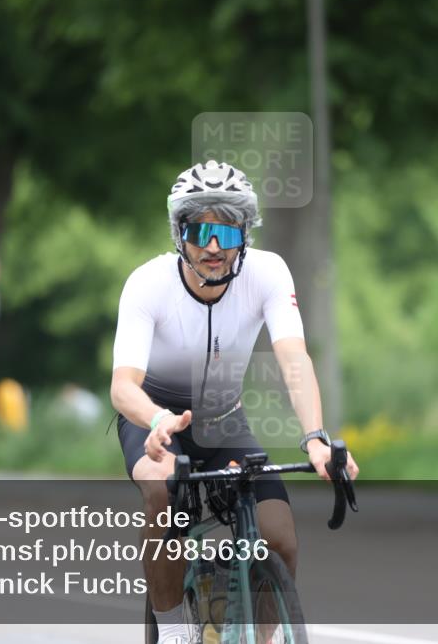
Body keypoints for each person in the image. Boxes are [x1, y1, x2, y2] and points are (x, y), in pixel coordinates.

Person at [110, 160, 359, 644]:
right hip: (154, 418)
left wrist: (315, 440)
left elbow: (294, 359)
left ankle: (263, 637)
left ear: (246, 234)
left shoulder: (268, 272)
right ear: (178, 232)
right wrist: (158, 419)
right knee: (160, 490)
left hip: (224, 419)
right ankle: (172, 631)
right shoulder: (147, 283)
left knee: (280, 535)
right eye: (200, 231)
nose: (212, 247)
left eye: (227, 233)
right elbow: (123, 387)